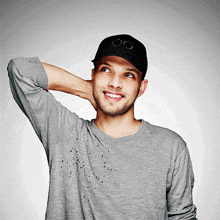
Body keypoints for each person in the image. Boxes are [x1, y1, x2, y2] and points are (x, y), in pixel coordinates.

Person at [7, 34, 197, 219]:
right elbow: (21, 70)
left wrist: (101, 90)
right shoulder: (66, 133)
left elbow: (182, 217)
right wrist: (88, 90)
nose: (115, 83)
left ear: (142, 87)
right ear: (93, 75)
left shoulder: (170, 146)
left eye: (128, 75)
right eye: (106, 70)